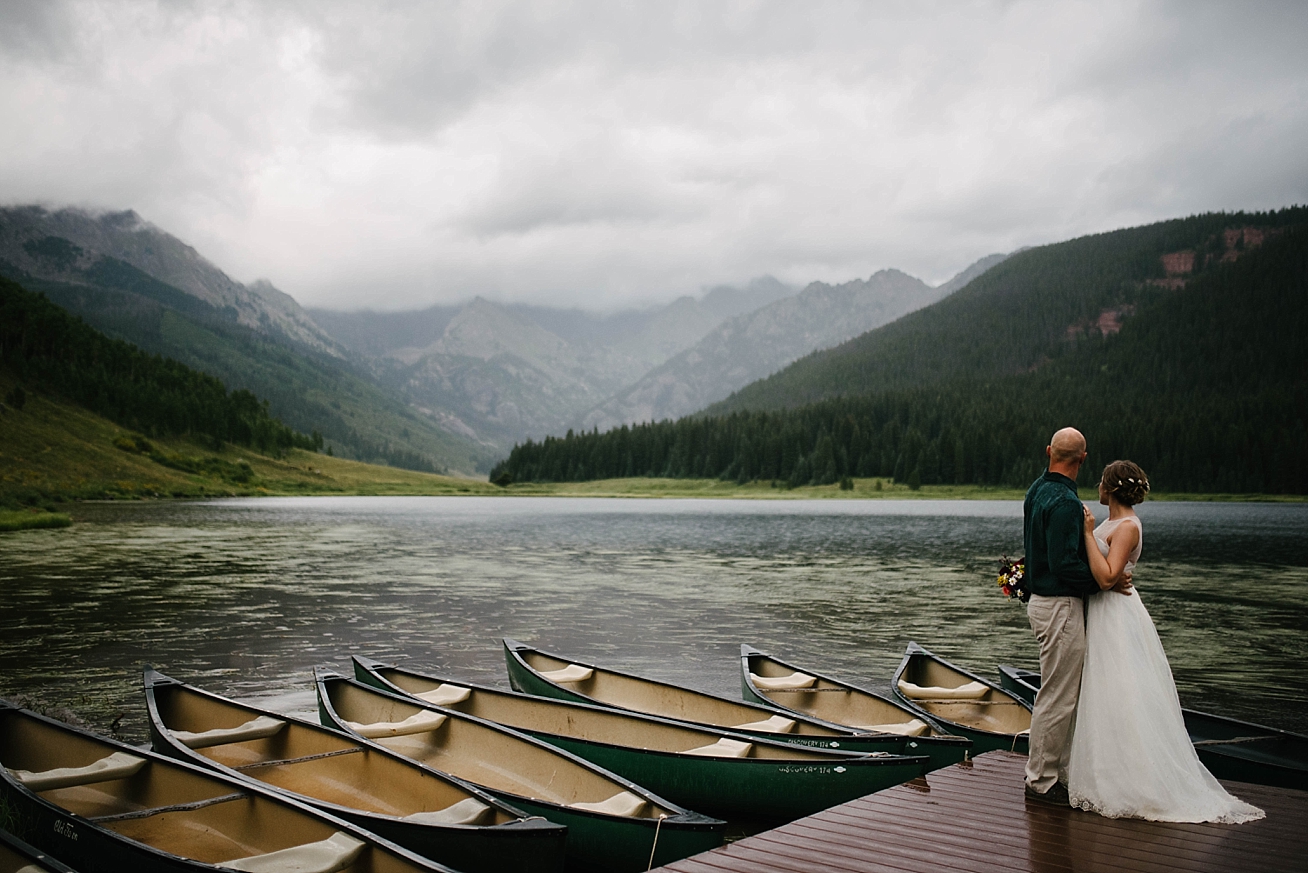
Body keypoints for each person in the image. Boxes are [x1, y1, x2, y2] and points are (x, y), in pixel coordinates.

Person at [1066, 461, 1263, 822]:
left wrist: (1086, 534)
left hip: (1116, 616)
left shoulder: (1126, 526)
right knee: (1102, 691)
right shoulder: (1108, 523)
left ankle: (1134, 780)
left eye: (1101, 481)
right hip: (1100, 611)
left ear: (1110, 488)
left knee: (1123, 691)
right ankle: (1103, 768)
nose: (1097, 485)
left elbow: (1109, 577)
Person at [1022, 427, 1132, 807]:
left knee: (1057, 692)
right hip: (1061, 607)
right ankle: (1040, 781)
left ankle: (1055, 772)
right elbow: (1065, 565)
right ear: (1082, 459)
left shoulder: (1036, 490)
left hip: (1041, 602)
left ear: (1049, 450)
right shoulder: (1067, 503)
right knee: (1059, 696)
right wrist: (1106, 582)